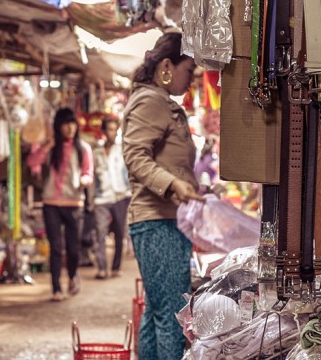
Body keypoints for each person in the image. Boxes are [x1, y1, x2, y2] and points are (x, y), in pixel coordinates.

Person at [122, 32, 203, 360]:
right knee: (171, 315)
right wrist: (173, 185)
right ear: (167, 66)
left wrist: (191, 186)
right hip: (158, 222)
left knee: (159, 311)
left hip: (164, 221)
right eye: (190, 71)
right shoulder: (150, 101)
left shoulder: (158, 102)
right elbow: (135, 156)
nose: (192, 80)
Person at [27, 108, 94, 301]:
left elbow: (88, 172)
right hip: (51, 203)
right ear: (59, 126)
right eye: (66, 124)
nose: (70, 128)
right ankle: (56, 288)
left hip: (74, 203)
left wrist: (85, 180)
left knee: (73, 248)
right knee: (55, 248)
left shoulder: (83, 148)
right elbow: (32, 162)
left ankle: (72, 276)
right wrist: (47, 147)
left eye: (72, 123)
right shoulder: (50, 148)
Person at [92, 116, 131, 279]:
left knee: (119, 232)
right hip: (101, 198)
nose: (112, 133)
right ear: (103, 131)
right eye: (109, 129)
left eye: (115, 130)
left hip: (121, 195)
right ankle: (102, 268)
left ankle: (116, 267)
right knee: (100, 232)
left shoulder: (123, 150)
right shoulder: (96, 153)